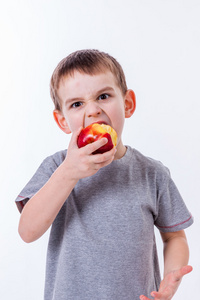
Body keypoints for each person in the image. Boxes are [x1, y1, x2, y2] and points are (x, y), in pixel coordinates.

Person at [16, 49, 193, 300]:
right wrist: (69, 172)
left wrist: (169, 280)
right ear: (63, 121)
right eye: (77, 104)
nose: (93, 111)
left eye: (103, 96)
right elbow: (28, 231)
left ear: (127, 103)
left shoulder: (152, 173)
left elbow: (174, 237)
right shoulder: (57, 167)